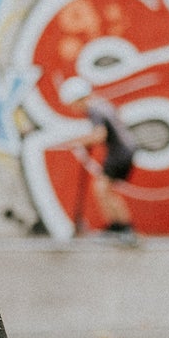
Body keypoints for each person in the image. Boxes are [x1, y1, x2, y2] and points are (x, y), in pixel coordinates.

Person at [60, 78, 140, 245]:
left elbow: (100, 134)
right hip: (123, 151)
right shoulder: (102, 105)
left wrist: (78, 141)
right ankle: (118, 226)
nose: (74, 109)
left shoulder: (94, 109)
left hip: (120, 153)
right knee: (104, 189)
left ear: (78, 99)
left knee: (104, 188)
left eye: (73, 104)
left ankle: (124, 227)